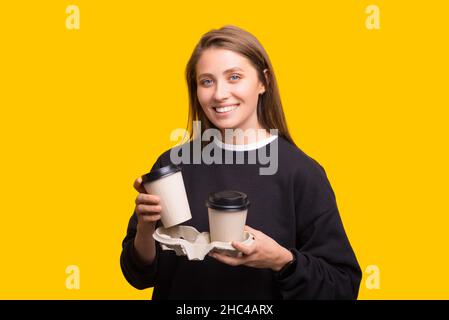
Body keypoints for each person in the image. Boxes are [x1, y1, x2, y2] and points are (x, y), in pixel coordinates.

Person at [120, 25, 362, 299]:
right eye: (207, 81)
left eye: (234, 77)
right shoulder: (174, 165)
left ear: (263, 82)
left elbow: (342, 287)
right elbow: (137, 275)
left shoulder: (302, 173)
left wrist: (282, 261)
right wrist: (145, 226)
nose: (220, 94)